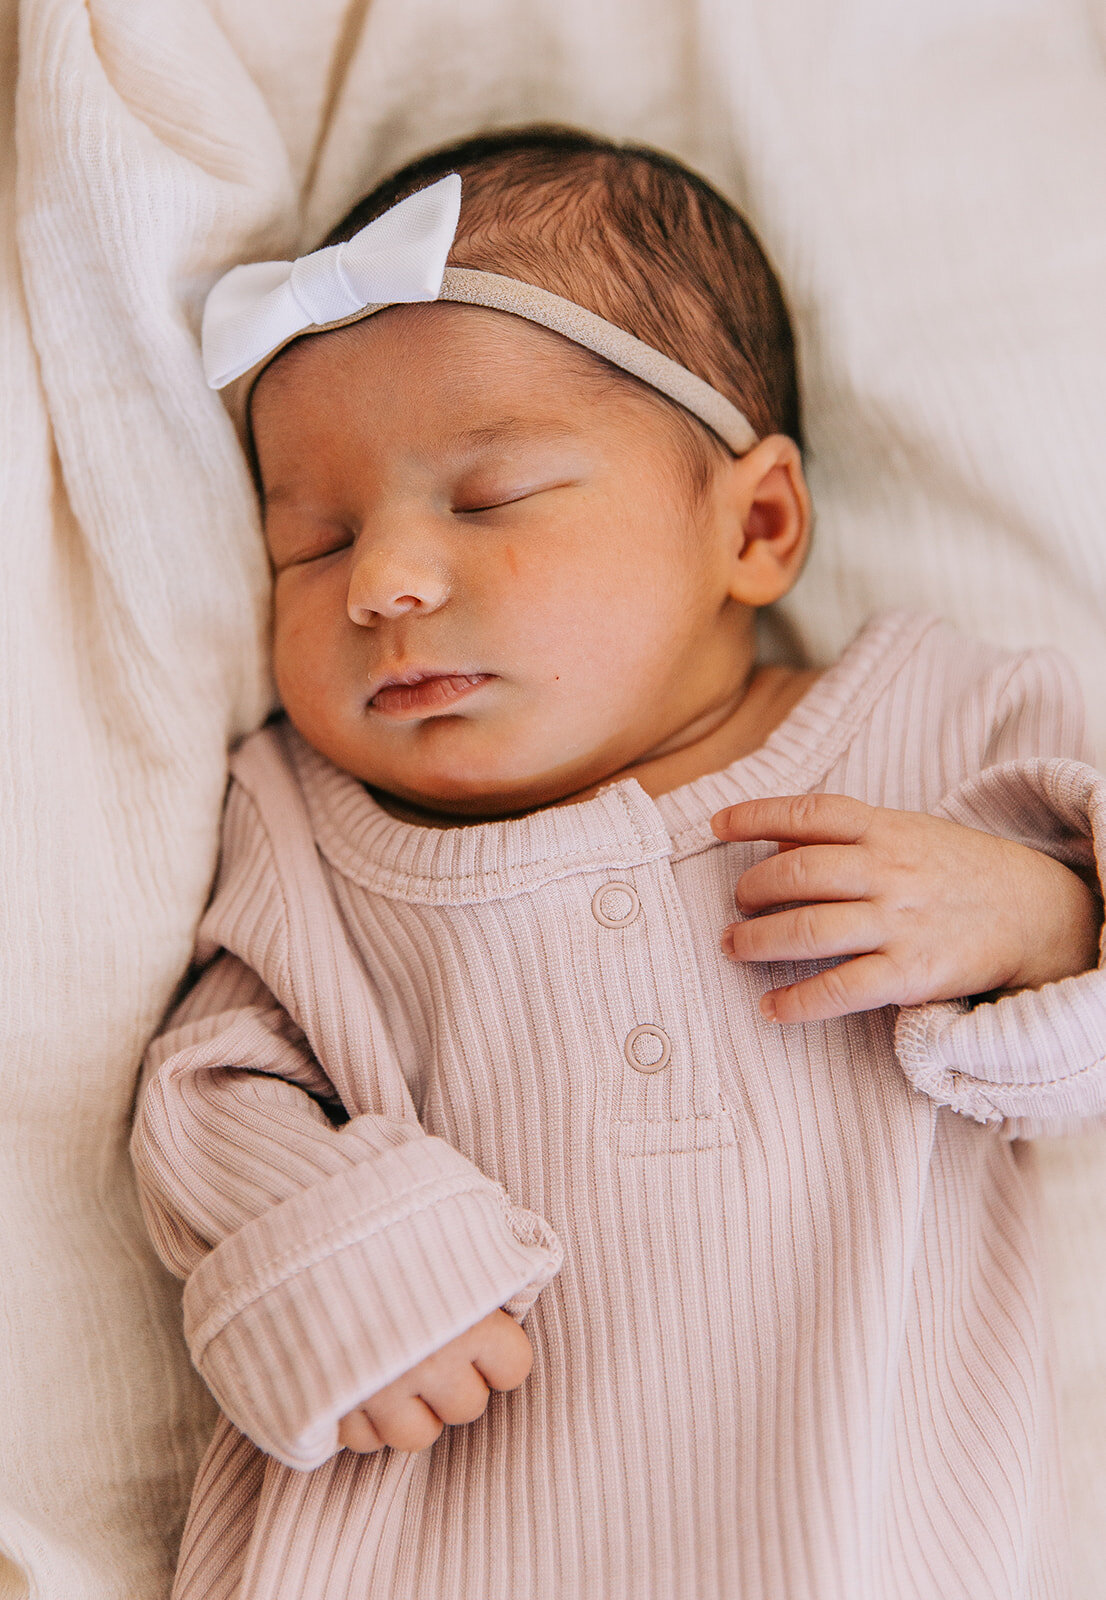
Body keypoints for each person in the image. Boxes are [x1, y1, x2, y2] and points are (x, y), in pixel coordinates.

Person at [132, 127, 1106, 1599]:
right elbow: (206, 1086)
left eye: (487, 498)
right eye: (312, 543)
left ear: (755, 523)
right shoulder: (304, 820)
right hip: (423, 1538)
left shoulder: (947, 724)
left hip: (862, 1541)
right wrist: (335, 1250)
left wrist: (1038, 914)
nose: (384, 581)